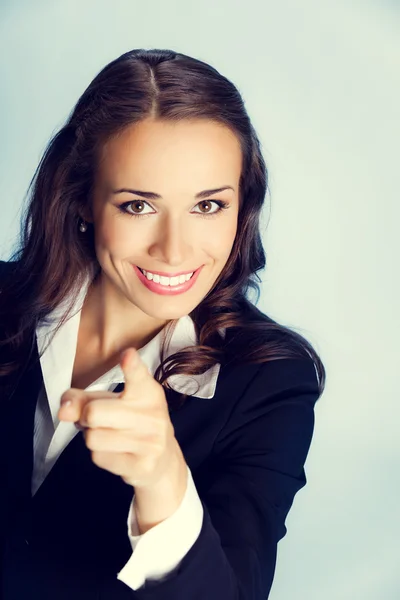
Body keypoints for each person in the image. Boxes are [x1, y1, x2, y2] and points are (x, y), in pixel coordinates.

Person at [0, 48, 326, 599]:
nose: (174, 252)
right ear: (82, 201)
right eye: (138, 206)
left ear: (242, 206)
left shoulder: (271, 382)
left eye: (208, 206)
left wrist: (164, 484)